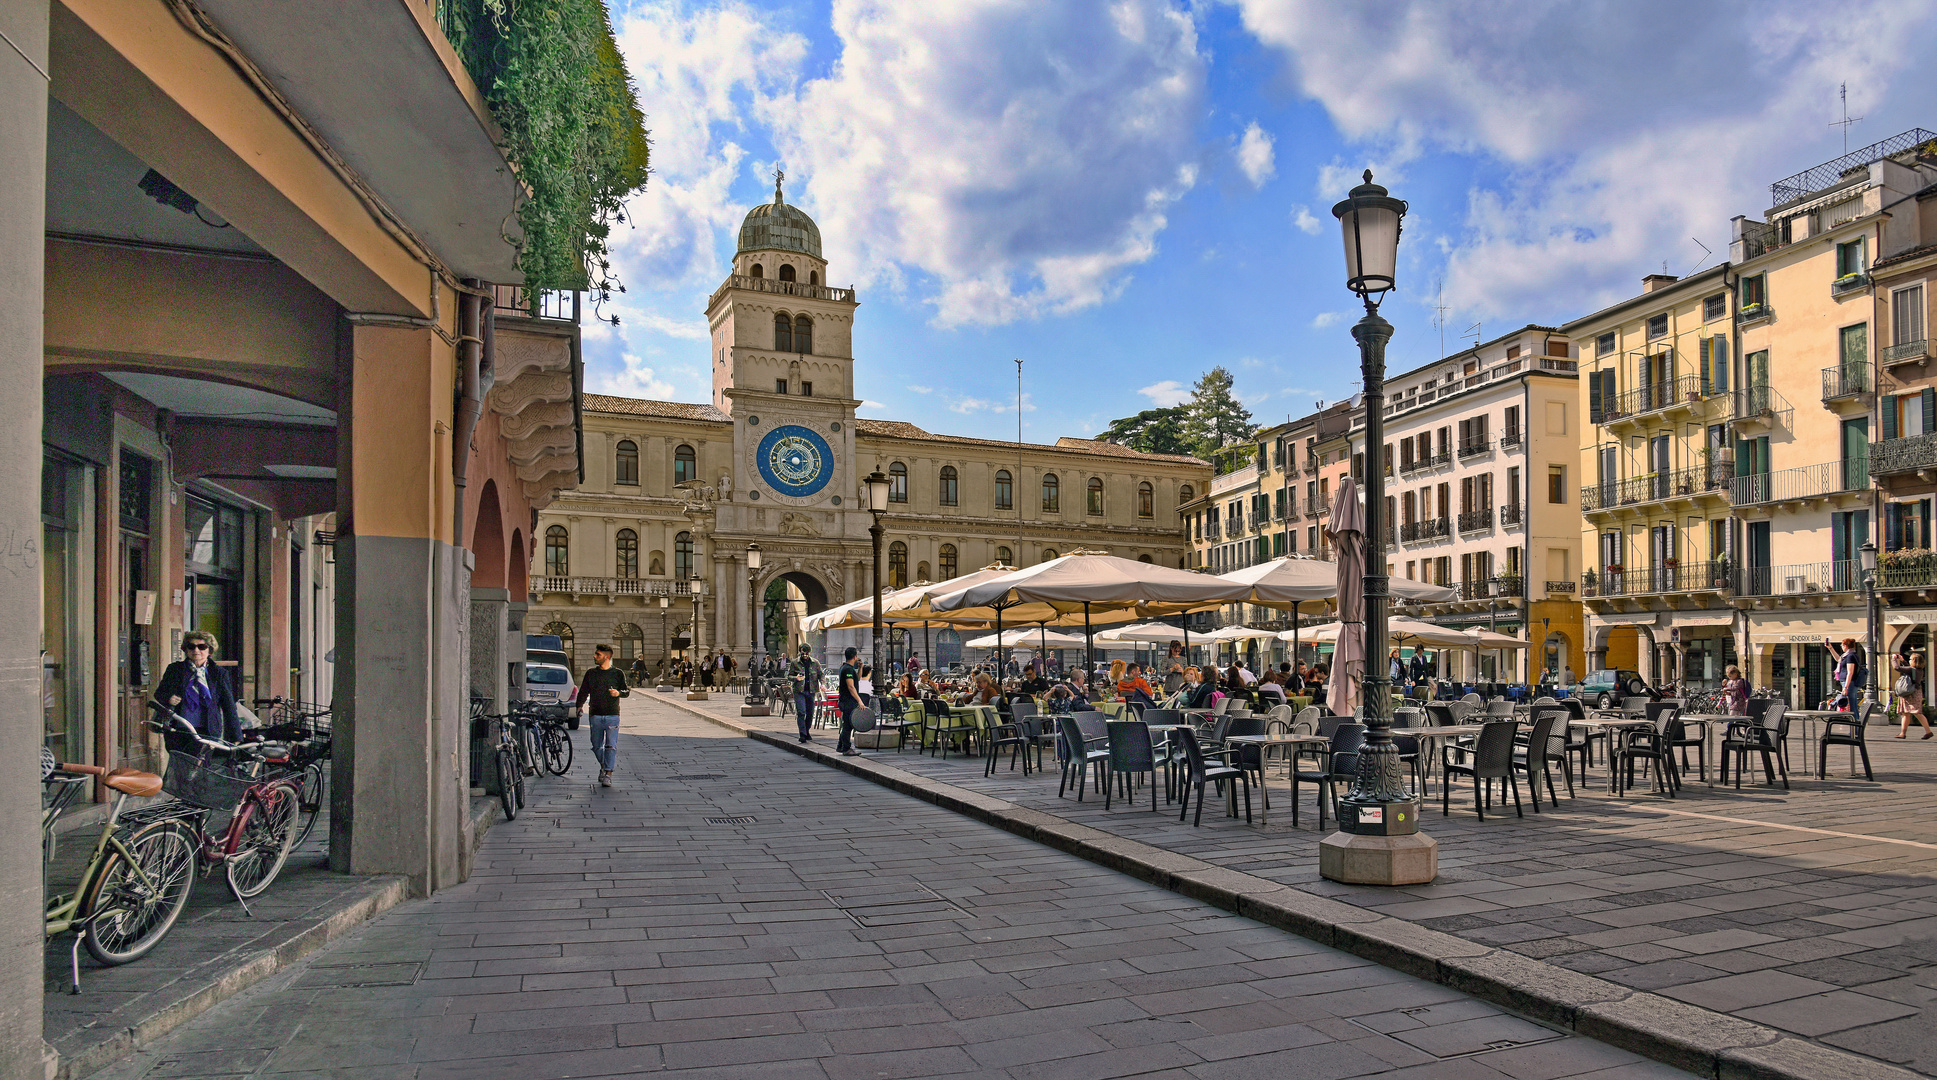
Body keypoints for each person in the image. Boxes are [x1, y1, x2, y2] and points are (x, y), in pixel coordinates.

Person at [155, 630, 240, 743]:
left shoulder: (219, 673)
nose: (196, 650)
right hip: (179, 730)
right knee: (180, 760)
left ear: (209, 650)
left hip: (208, 730)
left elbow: (228, 705)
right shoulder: (175, 669)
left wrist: (235, 736)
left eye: (202, 647)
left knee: (202, 760)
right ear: (186, 649)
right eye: (191, 647)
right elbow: (159, 693)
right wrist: (169, 698)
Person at [575, 643, 630, 787]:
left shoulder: (617, 673)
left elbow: (626, 691)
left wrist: (618, 693)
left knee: (611, 746)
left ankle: (608, 773)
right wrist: (579, 706)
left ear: (606, 657)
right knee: (596, 746)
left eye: (598, 654)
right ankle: (604, 765)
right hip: (595, 715)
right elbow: (583, 691)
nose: (595, 656)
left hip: (612, 715)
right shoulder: (591, 673)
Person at [788, 643, 822, 743]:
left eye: (807, 653)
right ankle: (802, 734)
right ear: (800, 652)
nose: (805, 655)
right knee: (801, 712)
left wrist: (823, 684)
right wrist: (796, 678)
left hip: (811, 691)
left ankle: (806, 731)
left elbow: (821, 674)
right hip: (799, 691)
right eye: (803, 653)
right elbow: (789, 676)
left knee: (810, 713)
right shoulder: (795, 663)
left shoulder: (815, 663)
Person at [1894, 651, 1932, 739]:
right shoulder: (1918, 670)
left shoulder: (1912, 670)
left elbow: (1897, 668)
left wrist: (1894, 659)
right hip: (1913, 692)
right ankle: (1903, 733)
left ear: (1915, 661)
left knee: (1916, 713)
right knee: (1906, 713)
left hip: (1911, 694)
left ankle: (1928, 731)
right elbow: (1909, 669)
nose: (1909, 660)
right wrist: (1903, 660)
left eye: (1911, 659)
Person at [836, 646, 863, 756]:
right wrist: (860, 701)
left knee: (846, 724)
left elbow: (857, 679)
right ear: (855, 656)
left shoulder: (846, 668)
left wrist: (860, 668)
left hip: (845, 700)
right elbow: (851, 687)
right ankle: (846, 748)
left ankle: (841, 746)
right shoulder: (847, 669)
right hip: (848, 701)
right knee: (848, 725)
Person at [1825, 638, 1866, 709]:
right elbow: (1838, 659)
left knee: (1852, 705)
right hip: (1847, 683)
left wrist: (1846, 687)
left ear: (1846, 646)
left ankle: (1855, 719)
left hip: (1850, 683)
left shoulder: (1851, 656)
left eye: (1842, 645)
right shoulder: (1847, 655)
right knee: (1851, 704)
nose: (1841, 646)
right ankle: (1854, 718)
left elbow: (1850, 672)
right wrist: (1830, 648)